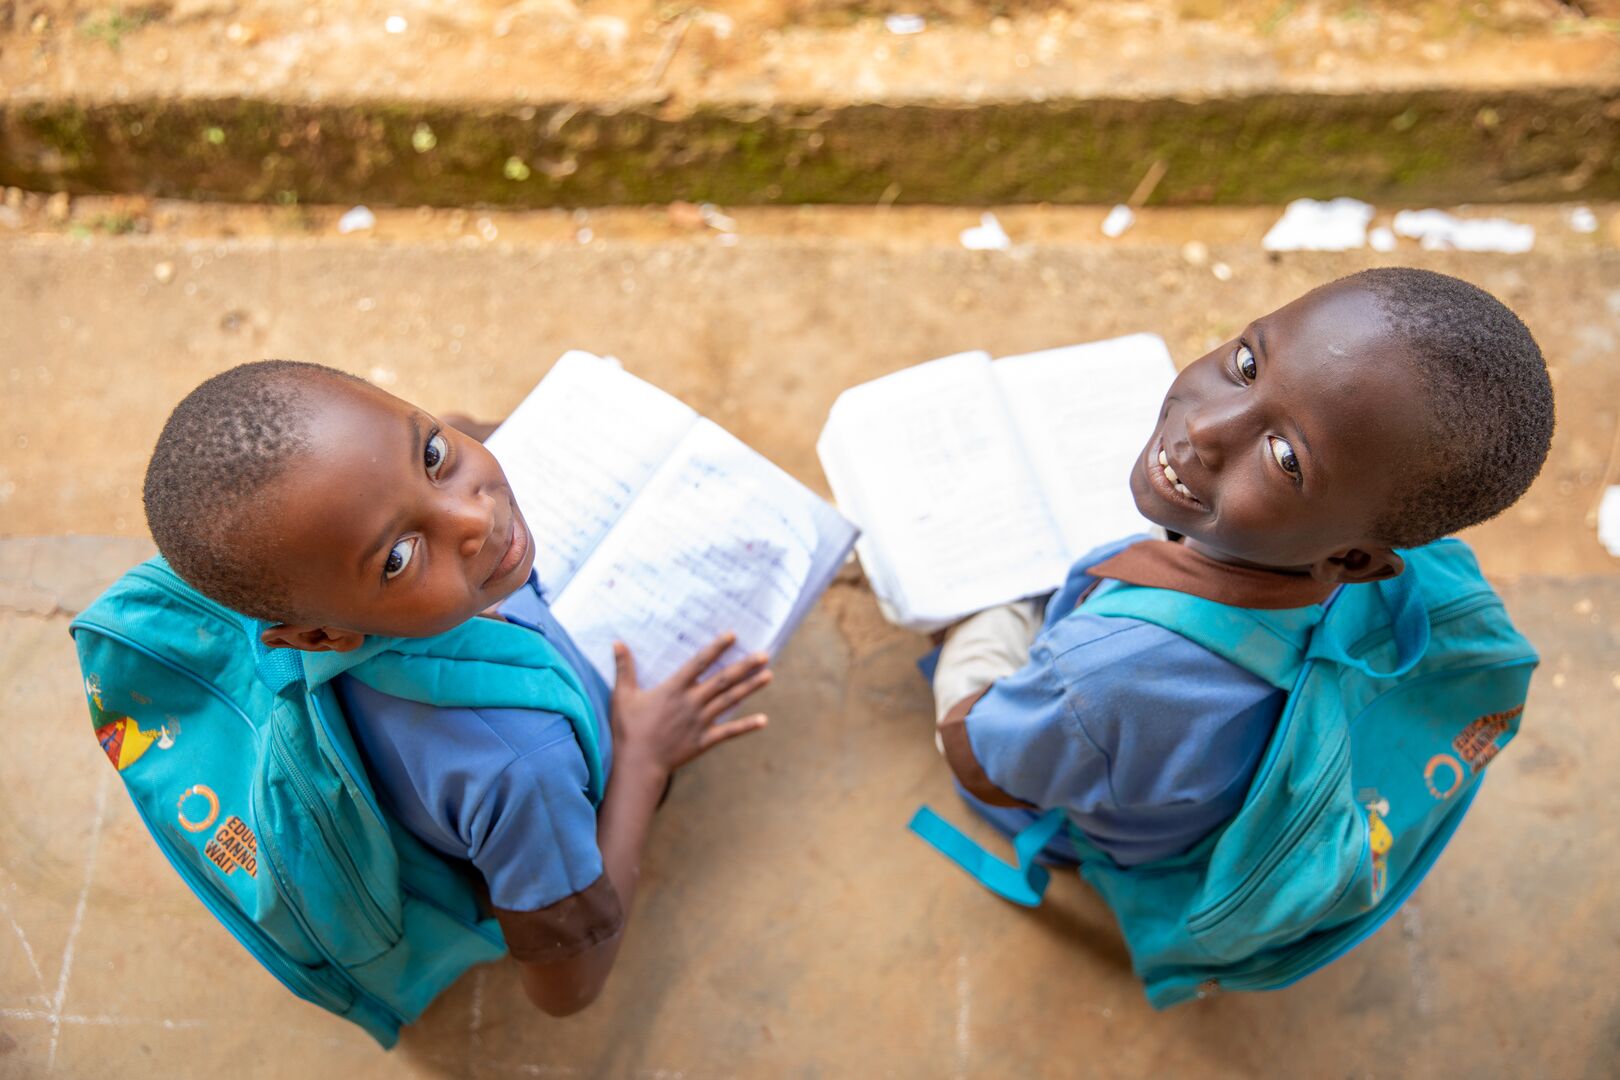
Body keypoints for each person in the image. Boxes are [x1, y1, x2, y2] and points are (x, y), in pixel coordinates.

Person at [142, 361, 774, 1016]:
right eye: (397, 558)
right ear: (320, 638)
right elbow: (567, 988)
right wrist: (643, 758)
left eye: (434, 454)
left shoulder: (308, 566)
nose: (474, 518)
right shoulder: (522, 766)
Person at [929, 267, 1555, 868]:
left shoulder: (1107, 671)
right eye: (1248, 365)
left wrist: (981, 624)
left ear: (1352, 560)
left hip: (1136, 830)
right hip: (1226, 775)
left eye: (1285, 458)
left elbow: (981, 757)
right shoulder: (1396, 545)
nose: (1204, 426)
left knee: (971, 625)